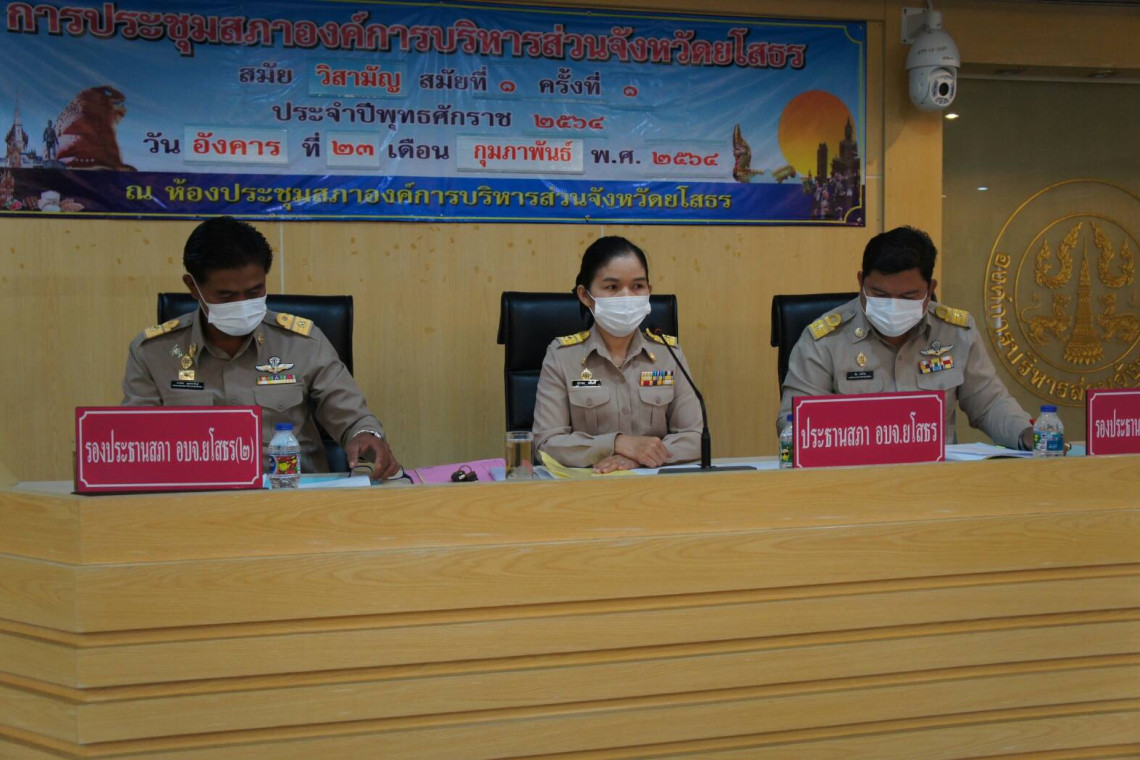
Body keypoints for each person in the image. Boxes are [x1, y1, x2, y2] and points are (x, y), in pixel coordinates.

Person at [121, 216, 400, 478]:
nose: (242, 304)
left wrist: (366, 435)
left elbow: (353, 418)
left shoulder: (302, 343)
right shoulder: (154, 352)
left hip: (293, 494)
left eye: (254, 292)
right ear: (193, 287)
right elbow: (135, 441)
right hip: (195, 497)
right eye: (226, 296)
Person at [778, 226, 1033, 449]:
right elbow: (794, 422)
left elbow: (989, 404)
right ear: (861, 282)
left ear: (930, 289)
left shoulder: (955, 332)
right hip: (854, 476)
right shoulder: (825, 340)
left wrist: (1026, 434)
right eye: (880, 294)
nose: (892, 306)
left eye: (908, 297)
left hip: (936, 479)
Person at [532, 236, 702, 473]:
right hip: (588, 487)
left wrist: (642, 457)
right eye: (612, 287)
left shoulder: (668, 354)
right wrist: (618, 444)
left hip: (655, 488)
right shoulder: (562, 357)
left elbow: (695, 437)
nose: (627, 297)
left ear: (649, 292)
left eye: (637, 286)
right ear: (585, 295)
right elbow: (546, 444)